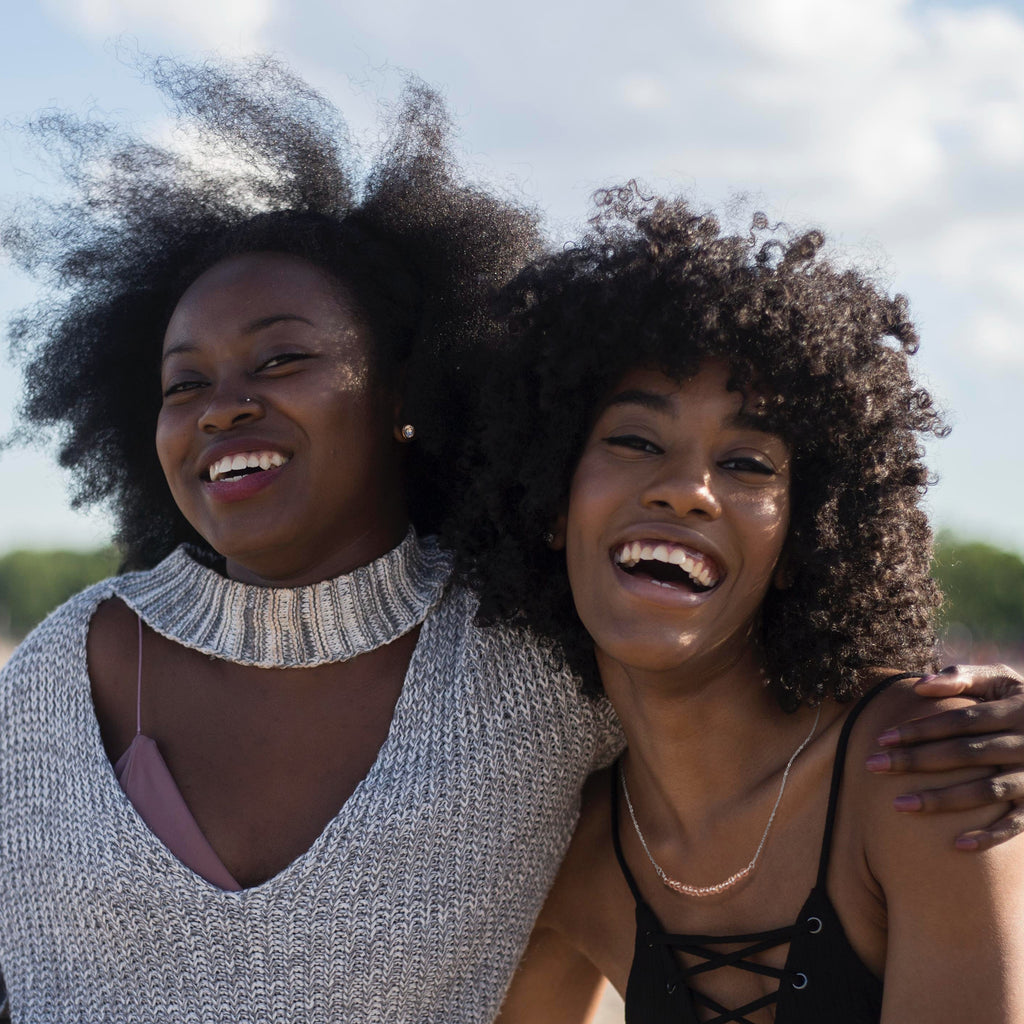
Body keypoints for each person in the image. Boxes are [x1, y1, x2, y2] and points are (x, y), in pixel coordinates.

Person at [0, 61, 1021, 1023]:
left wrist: (989, 716)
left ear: (407, 397)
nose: (225, 406)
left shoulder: (529, 664)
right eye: (185, 383)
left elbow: (730, 682)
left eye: (282, 358)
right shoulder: (57, 669)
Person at [447, 186, 1024, 1022]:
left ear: (804, 539)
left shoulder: (927, 769)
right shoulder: (569, 851)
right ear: (546, 501)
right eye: (635, 440)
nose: (685, 490)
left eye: (749, 464)